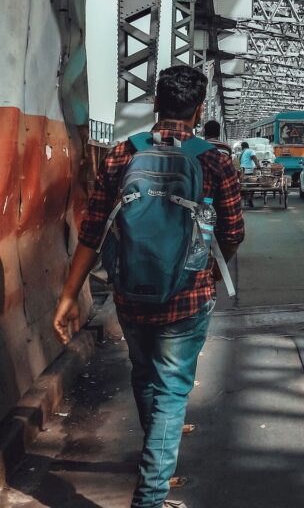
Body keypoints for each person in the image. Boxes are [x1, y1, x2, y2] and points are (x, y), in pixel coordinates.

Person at [53, 65, 244, 508]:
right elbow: (232, 231)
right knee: (173, 390)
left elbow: (93, 230)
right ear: (198, 111)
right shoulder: (213, 159)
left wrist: (67, 295)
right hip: (188, 296)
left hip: (131, 292)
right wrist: (211, 272)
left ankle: (155, 453)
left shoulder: (122, 153)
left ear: (155, 104)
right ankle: (151, 497)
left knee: (145, 376)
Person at [239, 141, 257, 209]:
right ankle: (250, 199)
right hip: (249, 171)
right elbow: (254, 158)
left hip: (242, 172)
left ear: (242, 147)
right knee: (253, 186)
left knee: (244, 187)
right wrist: (258, 165)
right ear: (248, 146)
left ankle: (245, 200)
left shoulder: (241, 153)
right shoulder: (250, 151)